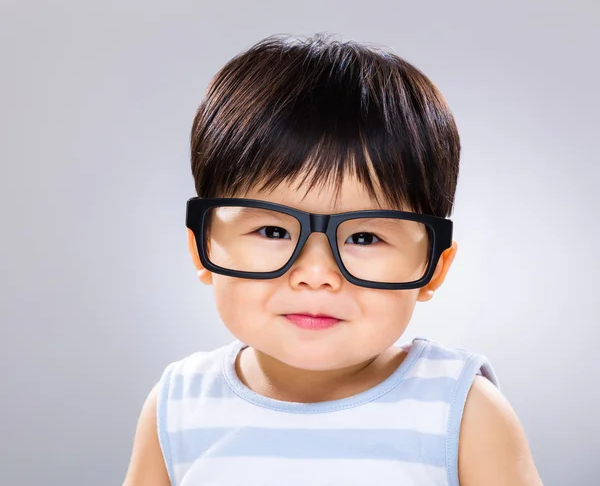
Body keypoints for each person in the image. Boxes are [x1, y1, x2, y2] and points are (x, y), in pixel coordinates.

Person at [123, 33, 543, 486]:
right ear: (202, 248)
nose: (316, 276)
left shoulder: (462, 412)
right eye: (272, 231)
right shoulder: (178, 404)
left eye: (364, 236)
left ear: (434, 267)